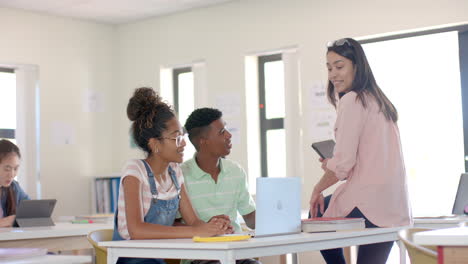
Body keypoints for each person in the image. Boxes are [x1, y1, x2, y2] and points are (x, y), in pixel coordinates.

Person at [309, 38, 412, 264]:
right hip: (394, 205)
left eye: (339, 66)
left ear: (357, 66)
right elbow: (363, 156)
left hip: (368, 201)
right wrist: (333, 163)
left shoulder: (352, 100)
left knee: (315, 214)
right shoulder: (379, 101)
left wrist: (318, 187)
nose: (333, 74)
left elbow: (343, 166)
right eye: (328, 68)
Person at [113, 88, 230, 264]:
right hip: (130, 259)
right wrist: (196, 231)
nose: (183, 143)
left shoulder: (175, 171)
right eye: (176, 138)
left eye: (182, 136)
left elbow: (193, 222)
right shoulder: (135, 171)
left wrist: (211, 226)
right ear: (155, 144)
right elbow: (137, 230)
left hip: (157, 259)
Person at [181, 107, 258, 264]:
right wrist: (207, 227)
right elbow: (173, 224)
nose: (229, 135)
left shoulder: (235, 171)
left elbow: (250, 219)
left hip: (235, 254)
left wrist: (280, 218)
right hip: (199, 257)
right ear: (203, 141)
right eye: (222, 132)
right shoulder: (180, 175)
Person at [0, 139, 30, 227]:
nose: (12, 174)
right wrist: (6, 221)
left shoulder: (14, 187)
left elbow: (30, 210)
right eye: (7, 169)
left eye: (16, 168)